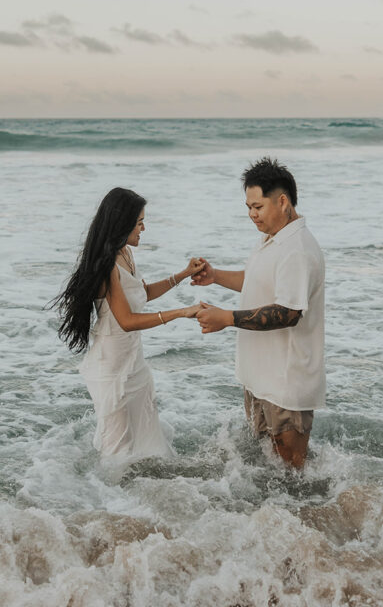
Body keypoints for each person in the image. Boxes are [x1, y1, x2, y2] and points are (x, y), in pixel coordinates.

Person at [53, 187, 203, 463]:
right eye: (139, 222)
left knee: (147, 441)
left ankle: (139, 498)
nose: (144, 228)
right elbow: (127, 321)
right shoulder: (108, 266)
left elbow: (141, 293)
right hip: (112, 369)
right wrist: (181, 313)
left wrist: (184, 274)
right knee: (117, 450)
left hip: (133, 362)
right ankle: (107, 502)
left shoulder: (126, 254)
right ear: (123, 224)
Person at [192, 157, 325, 469]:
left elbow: (289, 312)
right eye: (248, 207)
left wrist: (227, 319)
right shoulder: (272, 238)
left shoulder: (297, 249)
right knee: (268, 464)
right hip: (262, 375)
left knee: (292, 469)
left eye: (258, 207)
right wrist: (216, 276)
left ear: (283, 202)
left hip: (286, 381)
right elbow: (257, 282)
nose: (252, 215)